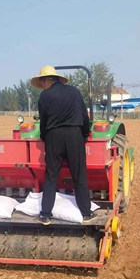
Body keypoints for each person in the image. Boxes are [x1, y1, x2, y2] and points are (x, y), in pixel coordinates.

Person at [31, 66, 96, 225]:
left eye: (42, 83)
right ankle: (86, 213)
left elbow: (44, 123)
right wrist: (85, 135)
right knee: (79, 175)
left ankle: (45, 214)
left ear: (47, 80)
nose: (42, 86)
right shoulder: (74, 91)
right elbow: (84, 116)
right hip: (74, 136)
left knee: (51, 176)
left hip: (54, 137)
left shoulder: (44, 97)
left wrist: (46, 138)